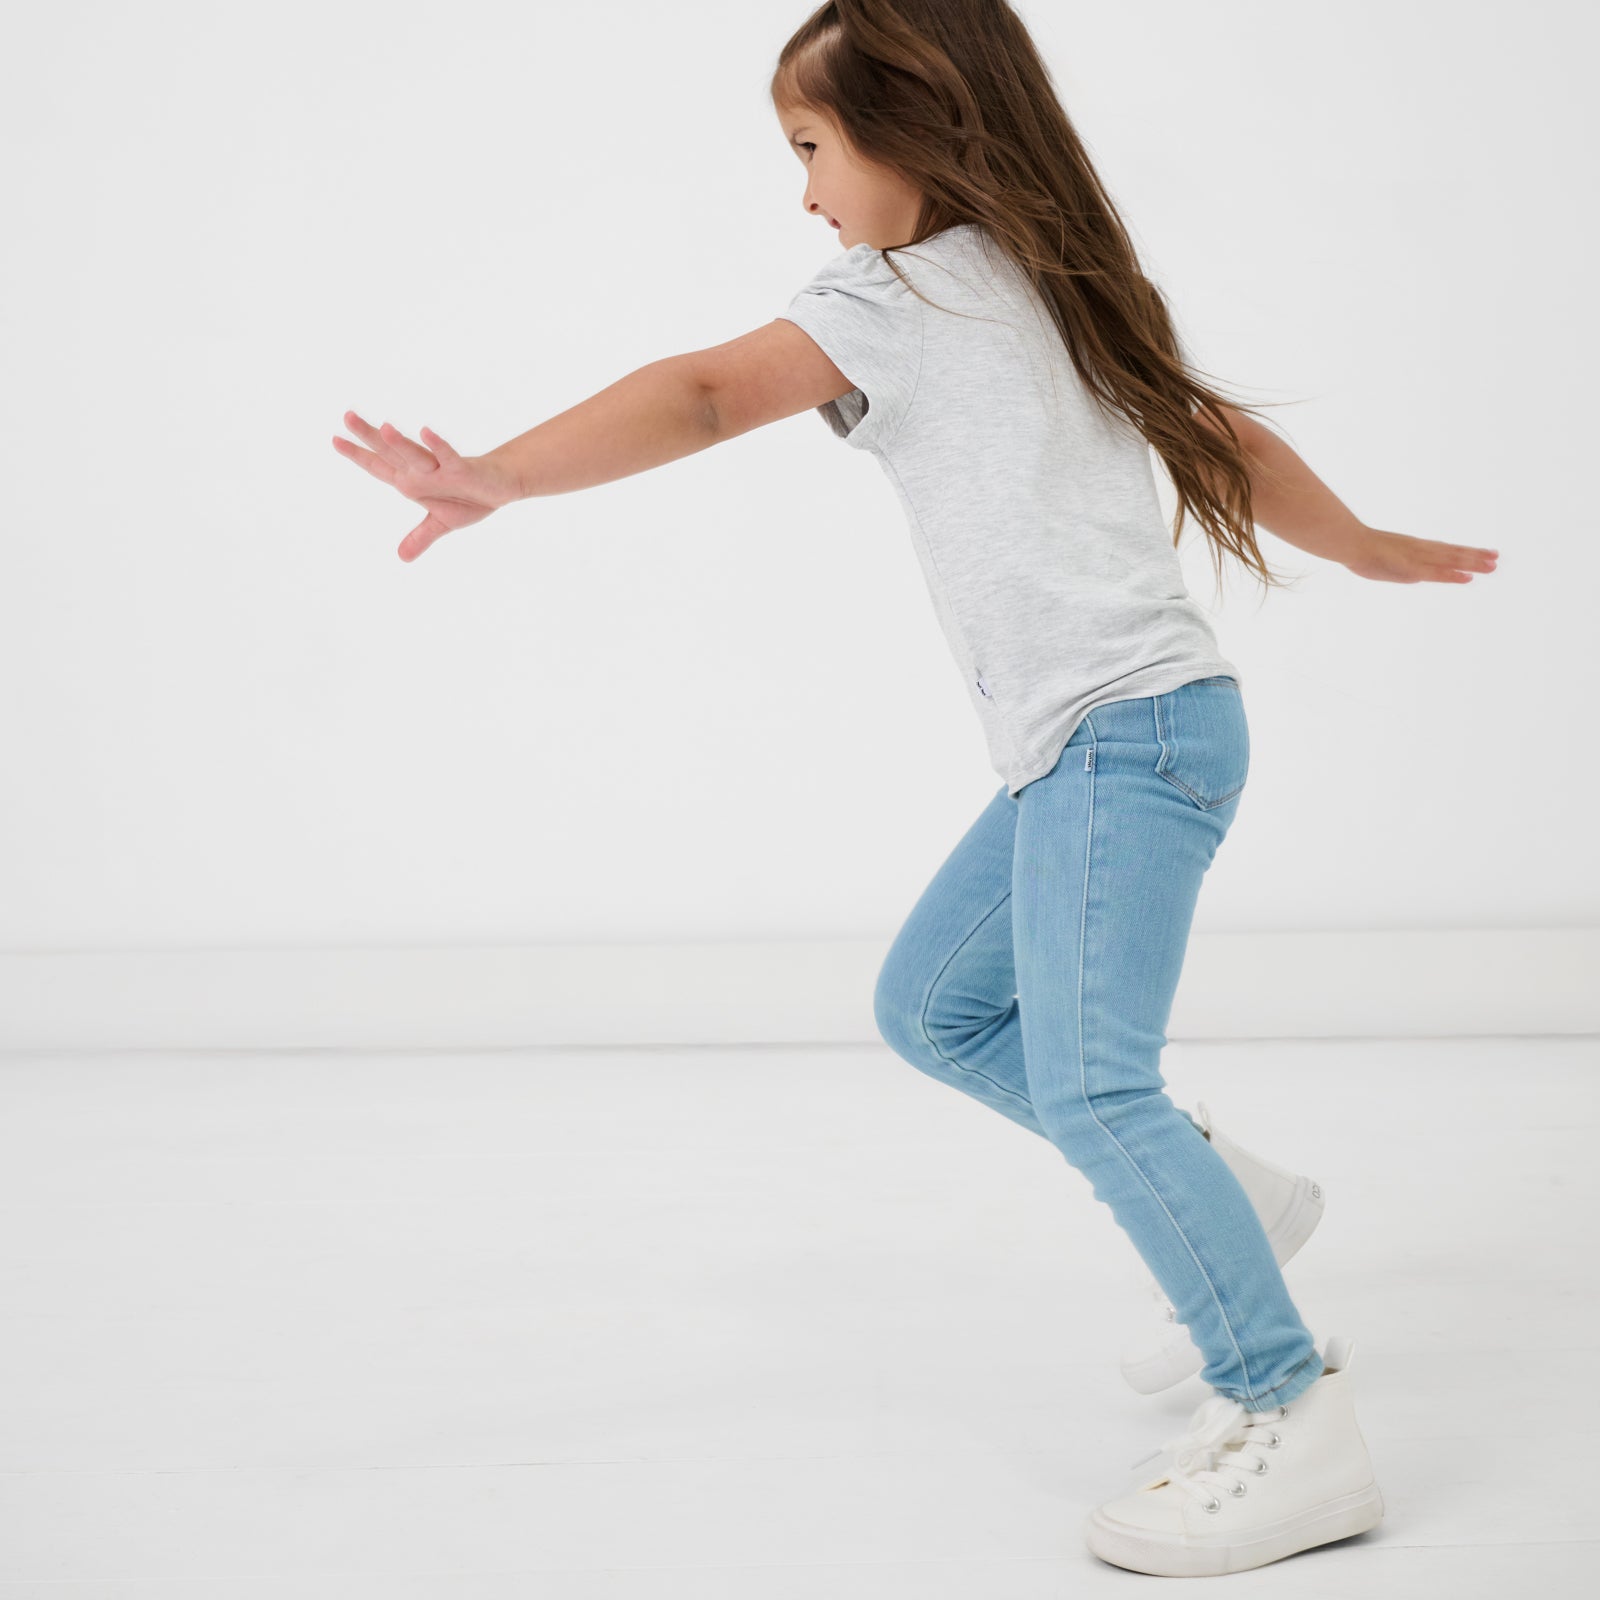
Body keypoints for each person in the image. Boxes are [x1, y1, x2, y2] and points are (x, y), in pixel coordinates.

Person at [331, 0, 1498, 1577]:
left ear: (920, 129)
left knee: (1096, 1082)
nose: (804, 190)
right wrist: (1352, 541)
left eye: (812, 148)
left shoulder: (894, 299)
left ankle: (1289, 1416)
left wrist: (499, 475)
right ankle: (1227, 1193)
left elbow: (699, 393)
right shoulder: (1046, 279)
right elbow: (1212, 429)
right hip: (1111, 739)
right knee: (936, 1010)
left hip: (1124, 733)